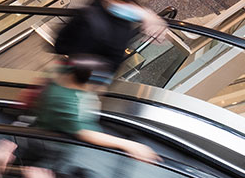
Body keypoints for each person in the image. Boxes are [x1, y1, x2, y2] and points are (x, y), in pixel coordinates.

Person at [31, 62, 159, 164]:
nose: (101, 89)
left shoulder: (63, 76)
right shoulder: (67, 102)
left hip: (46, 133)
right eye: (98, 86)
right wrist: (130, 145)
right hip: (49, 150)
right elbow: (87, 133)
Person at [52, 0, 166, 78]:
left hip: (69, 64)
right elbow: (113, 66)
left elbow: (61, 44)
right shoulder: (122, 29)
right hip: (85, 76)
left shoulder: (94, 6)